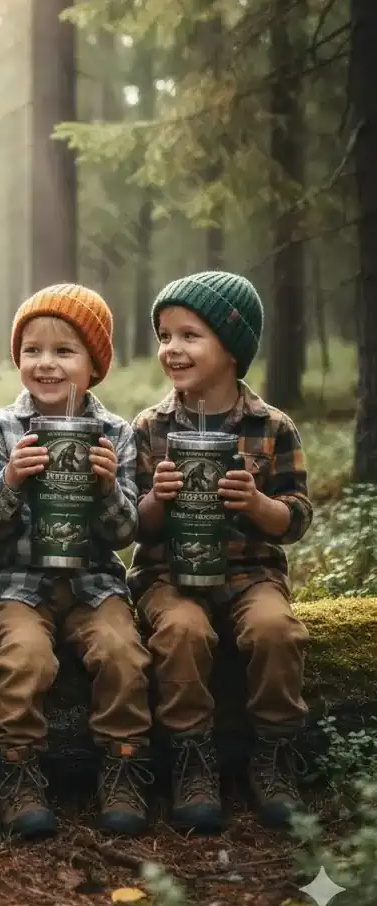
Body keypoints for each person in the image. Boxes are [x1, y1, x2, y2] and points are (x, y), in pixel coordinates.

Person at [131, 271, 313, 831]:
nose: (172, 349)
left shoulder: (271, 427)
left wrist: (257, 504)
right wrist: (158, 501)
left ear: (232, 348)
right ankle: (191, 757)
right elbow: (131, 523)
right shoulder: (150, 428)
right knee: (182, 632)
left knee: (275, 632)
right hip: (168, 576)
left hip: (250, 573)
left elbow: (296, 518)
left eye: (190, 335)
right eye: (165, 336)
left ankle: (274, 755)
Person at [0, 285, 153, 838]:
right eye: (32, 350)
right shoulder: (2, 429)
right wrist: (10, 479)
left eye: (64, 351)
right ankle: (17, 770)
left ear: (94, 364)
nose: (45, 363)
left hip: (96, 584)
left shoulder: (117, 433)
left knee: (123, 652)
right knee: (23, 658)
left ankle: (124, 766)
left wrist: (105, 489)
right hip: (16, 584)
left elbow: (127, 533)